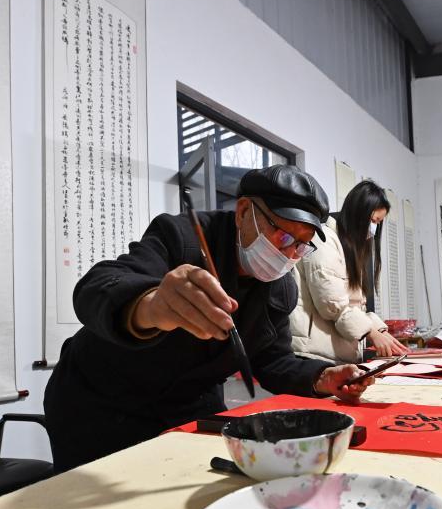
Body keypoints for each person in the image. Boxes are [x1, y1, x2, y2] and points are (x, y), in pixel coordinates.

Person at [43, 165, 373, 472]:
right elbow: (96, 287)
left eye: (301, 246)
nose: (289, 254)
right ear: (243, 211)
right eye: (284, 237)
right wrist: (152, 306)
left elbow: (272, 361)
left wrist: (322, 376)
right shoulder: (182, 237)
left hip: (185, 408)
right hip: (100, 403)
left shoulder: (280, 289)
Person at [290, 180, 409, 363]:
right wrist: (372, 333)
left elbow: (354, 305)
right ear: (357, 214)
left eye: (378, 223)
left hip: (334, 353)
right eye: (373, 221)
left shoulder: (348, 247)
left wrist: (380, 330)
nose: (374, 229)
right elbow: (332, 305)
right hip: (313, 354)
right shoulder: (324, 240)